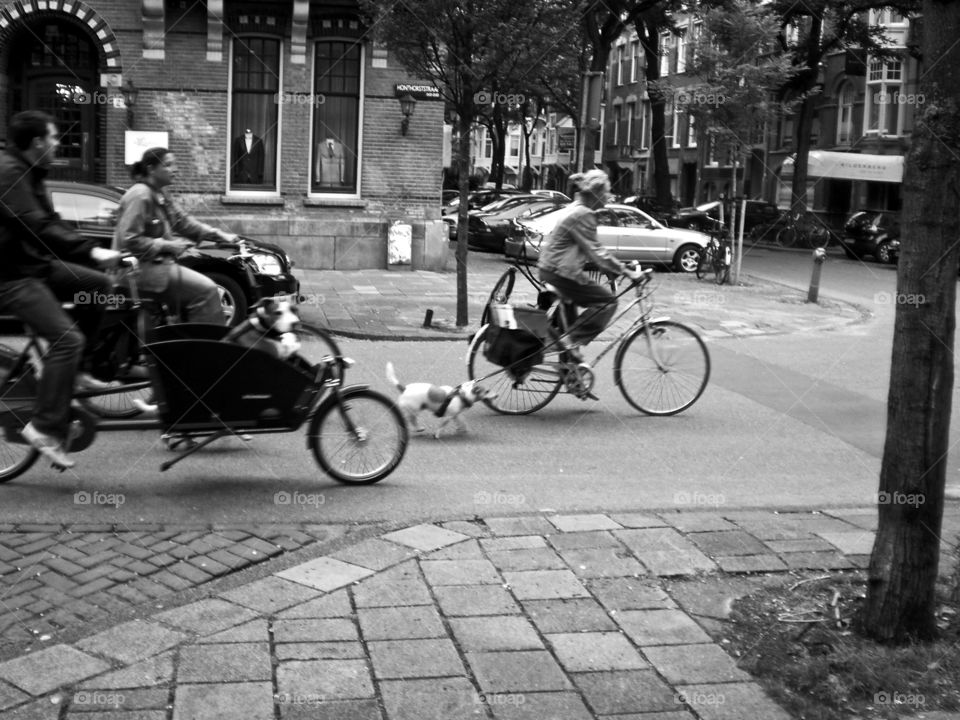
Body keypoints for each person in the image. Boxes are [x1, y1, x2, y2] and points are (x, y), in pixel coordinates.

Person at [0, 110, 121, 468]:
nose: (57, 145)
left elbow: (50, 223)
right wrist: (90, 249)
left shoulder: (29, 172)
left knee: (100, 286)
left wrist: (89, 254)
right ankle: (43, 427)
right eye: (54, 138)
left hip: (34, 265)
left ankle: (78, 368)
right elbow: (35, 225)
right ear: (37, 143)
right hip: (12, 277)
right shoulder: (8, 174)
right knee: (68, 339)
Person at [114, 147, 237, 324]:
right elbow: (130, 239)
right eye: (169, 165)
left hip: (156, 267)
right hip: (137, 271)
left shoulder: (159, 193)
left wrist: (218, 234)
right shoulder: (140, 195)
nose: (175, 169)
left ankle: (179, 342)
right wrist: (167, 245)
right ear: (151, 169)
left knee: (189, 297)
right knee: (207, 291)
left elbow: (182, 222)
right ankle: (204, 348)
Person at [537, 169, 642, 362]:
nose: (608, 197)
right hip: (560, 274)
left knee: (569, 326)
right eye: (606, 193)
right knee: (607, 302)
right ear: (596, 193)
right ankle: (570, 343)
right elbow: (597, 251)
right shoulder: (583, 214)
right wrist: (627, 272)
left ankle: (569, 369)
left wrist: (608, 269)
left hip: (551, 270)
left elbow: (586, 249)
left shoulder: (575, 208)